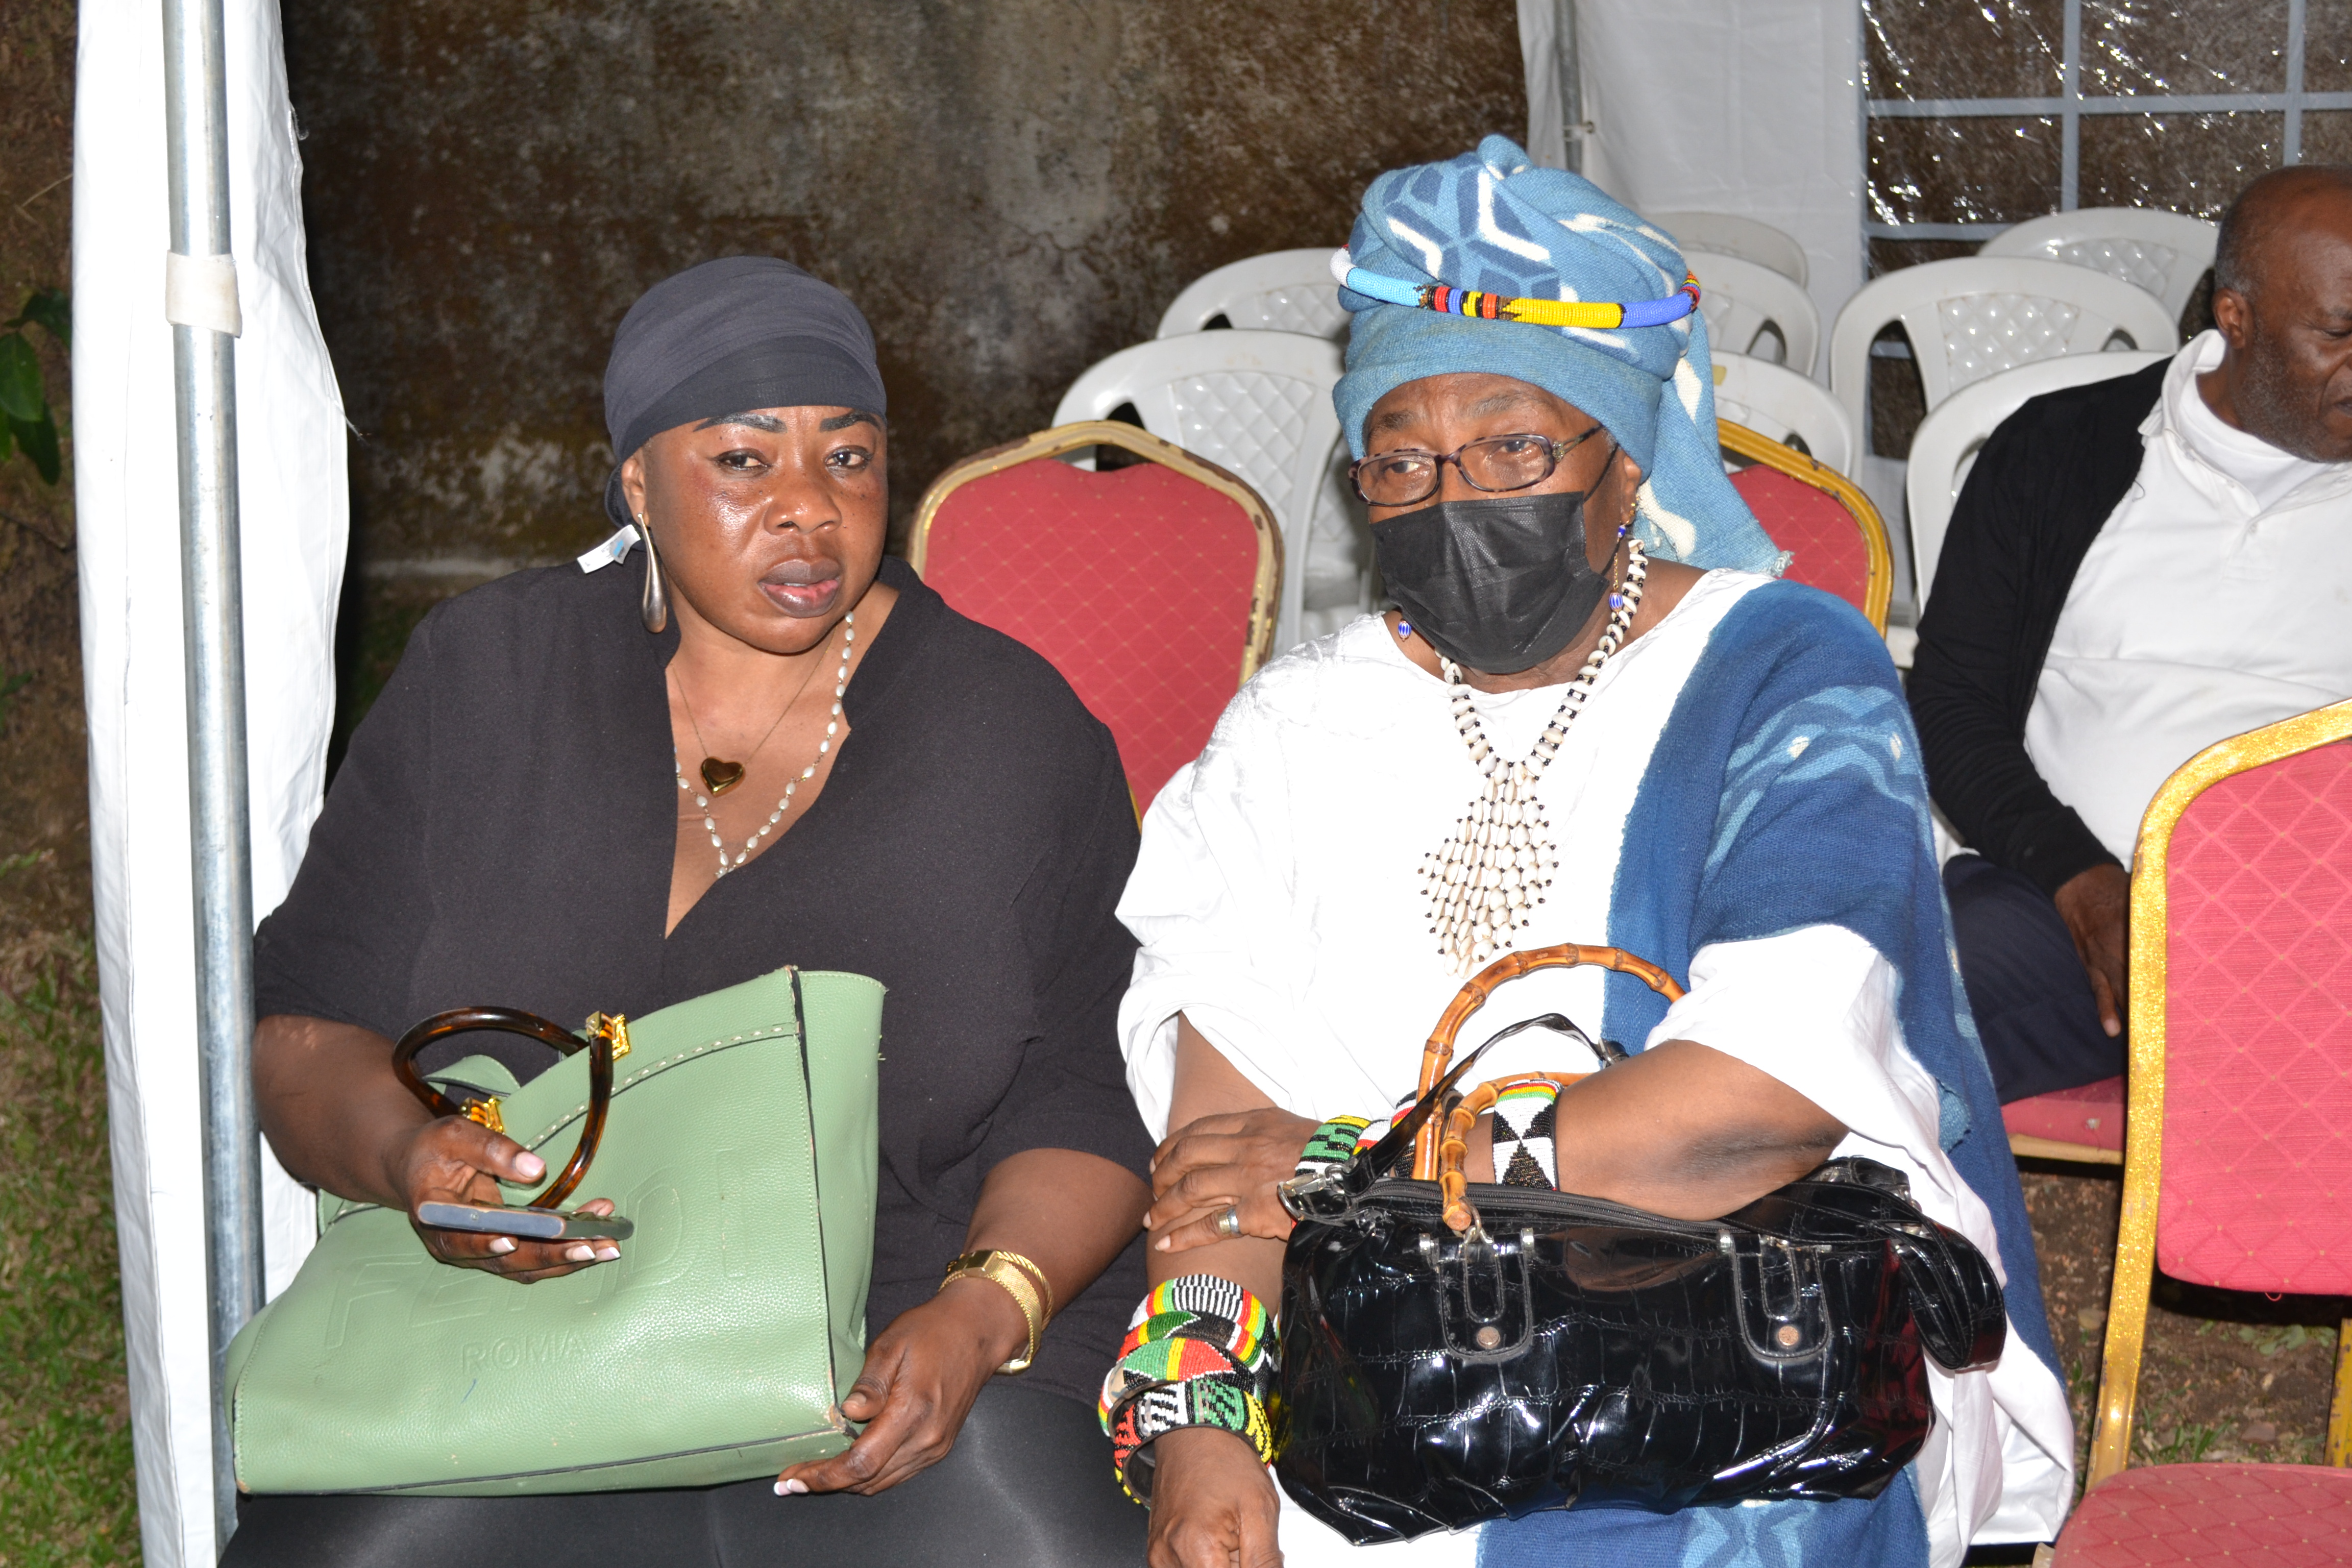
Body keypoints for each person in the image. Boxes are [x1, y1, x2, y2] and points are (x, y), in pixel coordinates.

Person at [1108, 138, 2072, 1568]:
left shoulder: (1783, 673)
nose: (1457, 496)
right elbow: (1217, 1170)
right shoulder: (1291, 731)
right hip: (1385, 1388)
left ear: (1626, 459)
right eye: (1402, 458)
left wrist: (1348, 1169)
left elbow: (1757, 1111)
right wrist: (1200, 1431)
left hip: (1746, 1364)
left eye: (1514, 446)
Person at [229, 257, 1153, 1566]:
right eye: (742, 460)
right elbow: (306, 1025)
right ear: (637, 485)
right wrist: (412, 1162)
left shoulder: (1008, 735)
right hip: (509, 1337)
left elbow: (1095, 1092)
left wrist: (987, 1308)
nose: (809, 508)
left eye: (848, 459)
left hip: (892, 1339)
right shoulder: (490, 678)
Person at [1910, 165, 2352, 1105]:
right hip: (2066, 897)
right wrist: (2080, 878)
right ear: (2236, 318)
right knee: (1881, 1020)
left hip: (2323, 922)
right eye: (2338, 333)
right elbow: (1951, 703)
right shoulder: (2057, 450)